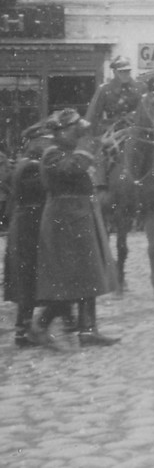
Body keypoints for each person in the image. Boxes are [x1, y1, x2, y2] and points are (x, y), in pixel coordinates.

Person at [33, 108, 121, 348]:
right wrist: (89, 146)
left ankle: (88, 330)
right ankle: (40, 326)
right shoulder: (51, 153)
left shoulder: (69, 151)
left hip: (80, 216)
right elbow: (70, 170)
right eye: (75, 130)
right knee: (69, 280)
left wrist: (99, 146)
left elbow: (81, 167)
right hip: (64, 221)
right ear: (60, 132)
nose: (78, 134)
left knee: (89, 274)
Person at [5, 120, 54, 347]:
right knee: (27, 278)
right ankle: (23, 330)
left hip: (25, 225)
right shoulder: (32, 166)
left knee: (27, 277)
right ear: (35, 142)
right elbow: (41, 193)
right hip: (29, 227)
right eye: (44, 141)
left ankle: (23, 328)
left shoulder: (26, 163)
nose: (47, 145)